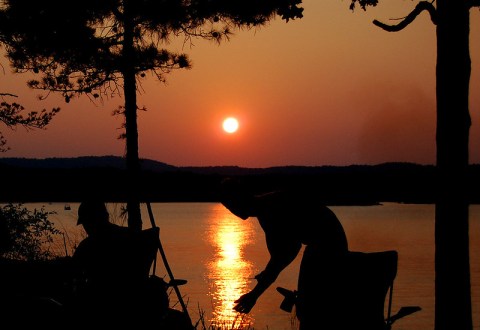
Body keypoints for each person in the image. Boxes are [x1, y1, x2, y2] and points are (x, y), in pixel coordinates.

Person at [219, 178, 350, 329]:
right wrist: (268, 272)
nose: (233, 211)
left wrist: (254, 294)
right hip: (322, 247)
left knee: (311, 312)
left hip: (329, 246)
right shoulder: (264, 210)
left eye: (231, 205)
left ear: (241, 196)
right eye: (228, 208)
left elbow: (286, 253)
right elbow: (281, 254)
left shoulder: (269, 209)